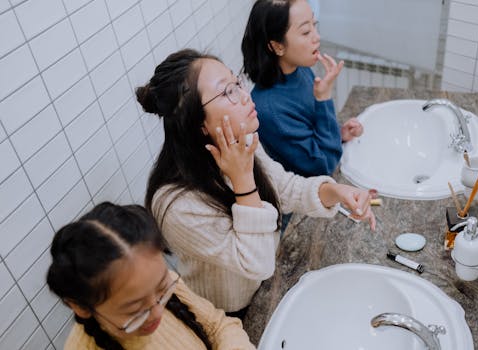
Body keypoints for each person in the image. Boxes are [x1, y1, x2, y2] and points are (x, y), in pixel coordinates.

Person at [136, 49, 376, 319]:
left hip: (264, 285)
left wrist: (335, 191)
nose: (245, 95)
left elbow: (284, 188)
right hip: (228, 314)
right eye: (228, 92)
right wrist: (242, 179)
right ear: (199, 123)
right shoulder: (177, 205)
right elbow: (258, 263)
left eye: (237, 83)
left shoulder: (242, 141)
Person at [46, 202, 255, 350]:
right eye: (137, 310)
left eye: (163, 289)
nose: (157, 313)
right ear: (81, 307)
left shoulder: (155, 288)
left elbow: (218, 325)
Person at [241, 0, 363, 177]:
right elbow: (324, 165)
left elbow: (312, 127)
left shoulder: (300, 70)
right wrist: (323, 98)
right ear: (277, 46)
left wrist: (338, 134)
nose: (317, 37)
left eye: (314, 25)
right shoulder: (269, 110)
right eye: (306, 32)